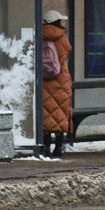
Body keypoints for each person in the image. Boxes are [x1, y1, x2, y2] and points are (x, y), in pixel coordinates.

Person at [41, 10, 73, 156]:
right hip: (60, 79)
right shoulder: (62, 37)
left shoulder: (39, 34)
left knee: (46, 114)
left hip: (43, 80)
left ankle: (46, 146)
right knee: (60, 114)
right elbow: (66, 51)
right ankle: (58, 147)